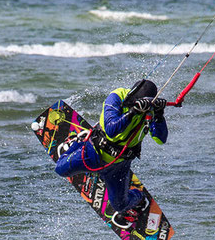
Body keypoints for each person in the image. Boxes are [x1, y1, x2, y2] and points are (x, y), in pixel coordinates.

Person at [55, 79, 168, 227]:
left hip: (118, 166)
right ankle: (77, 141)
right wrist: (133, 112)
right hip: (93, 153)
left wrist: (159, 115)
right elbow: (111, 129)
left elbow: (161, 139)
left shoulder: (150, 112)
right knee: (60, 169)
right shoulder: (117, 96)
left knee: (120, 206)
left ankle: (139, 199)